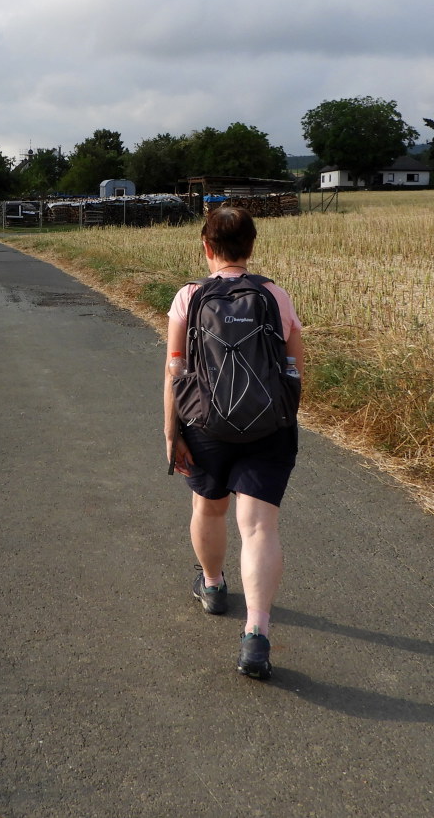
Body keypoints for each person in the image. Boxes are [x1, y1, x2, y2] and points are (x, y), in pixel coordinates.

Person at [164, 205, 304, 679]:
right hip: (269, 426)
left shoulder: (189, 297)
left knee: (209, 506)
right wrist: (279, 419)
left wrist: (172, 432)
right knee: (260, 527)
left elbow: (174, 370)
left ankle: (212, 585)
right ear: (252, 245)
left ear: (206, 246)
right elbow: (295, 369)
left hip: (206, 425)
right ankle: (257, 634)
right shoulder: (275, 295)